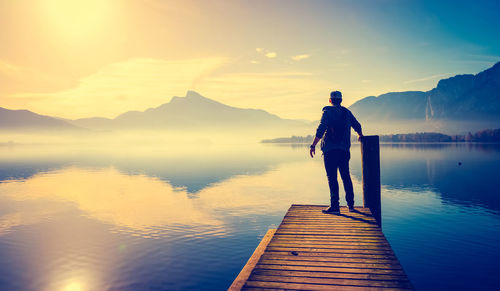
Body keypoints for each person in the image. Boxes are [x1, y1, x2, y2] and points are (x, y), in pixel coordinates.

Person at [309, 91, 363, 214]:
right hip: (344, 151)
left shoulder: (327, 112)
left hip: (330, 151)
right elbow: (357, 125)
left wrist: (313, 145)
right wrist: (360, 135)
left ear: (330, 100)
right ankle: (351, 206)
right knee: (346, 176)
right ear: (341, 100)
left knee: (332, 178)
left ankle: (335, 206)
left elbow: (321, 129)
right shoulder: (347, 112)